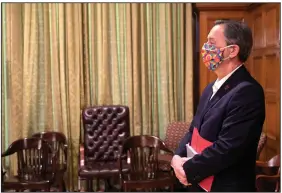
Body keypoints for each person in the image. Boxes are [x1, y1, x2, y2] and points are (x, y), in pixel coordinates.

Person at [171, 19, 265, 192]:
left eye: (211, 43)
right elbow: (194, 130)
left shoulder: (248, 92)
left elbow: (227, 149)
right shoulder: (210, 87)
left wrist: (187, 169)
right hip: (200, 182)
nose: (205, 48)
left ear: (232, 50)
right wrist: (177, 157)